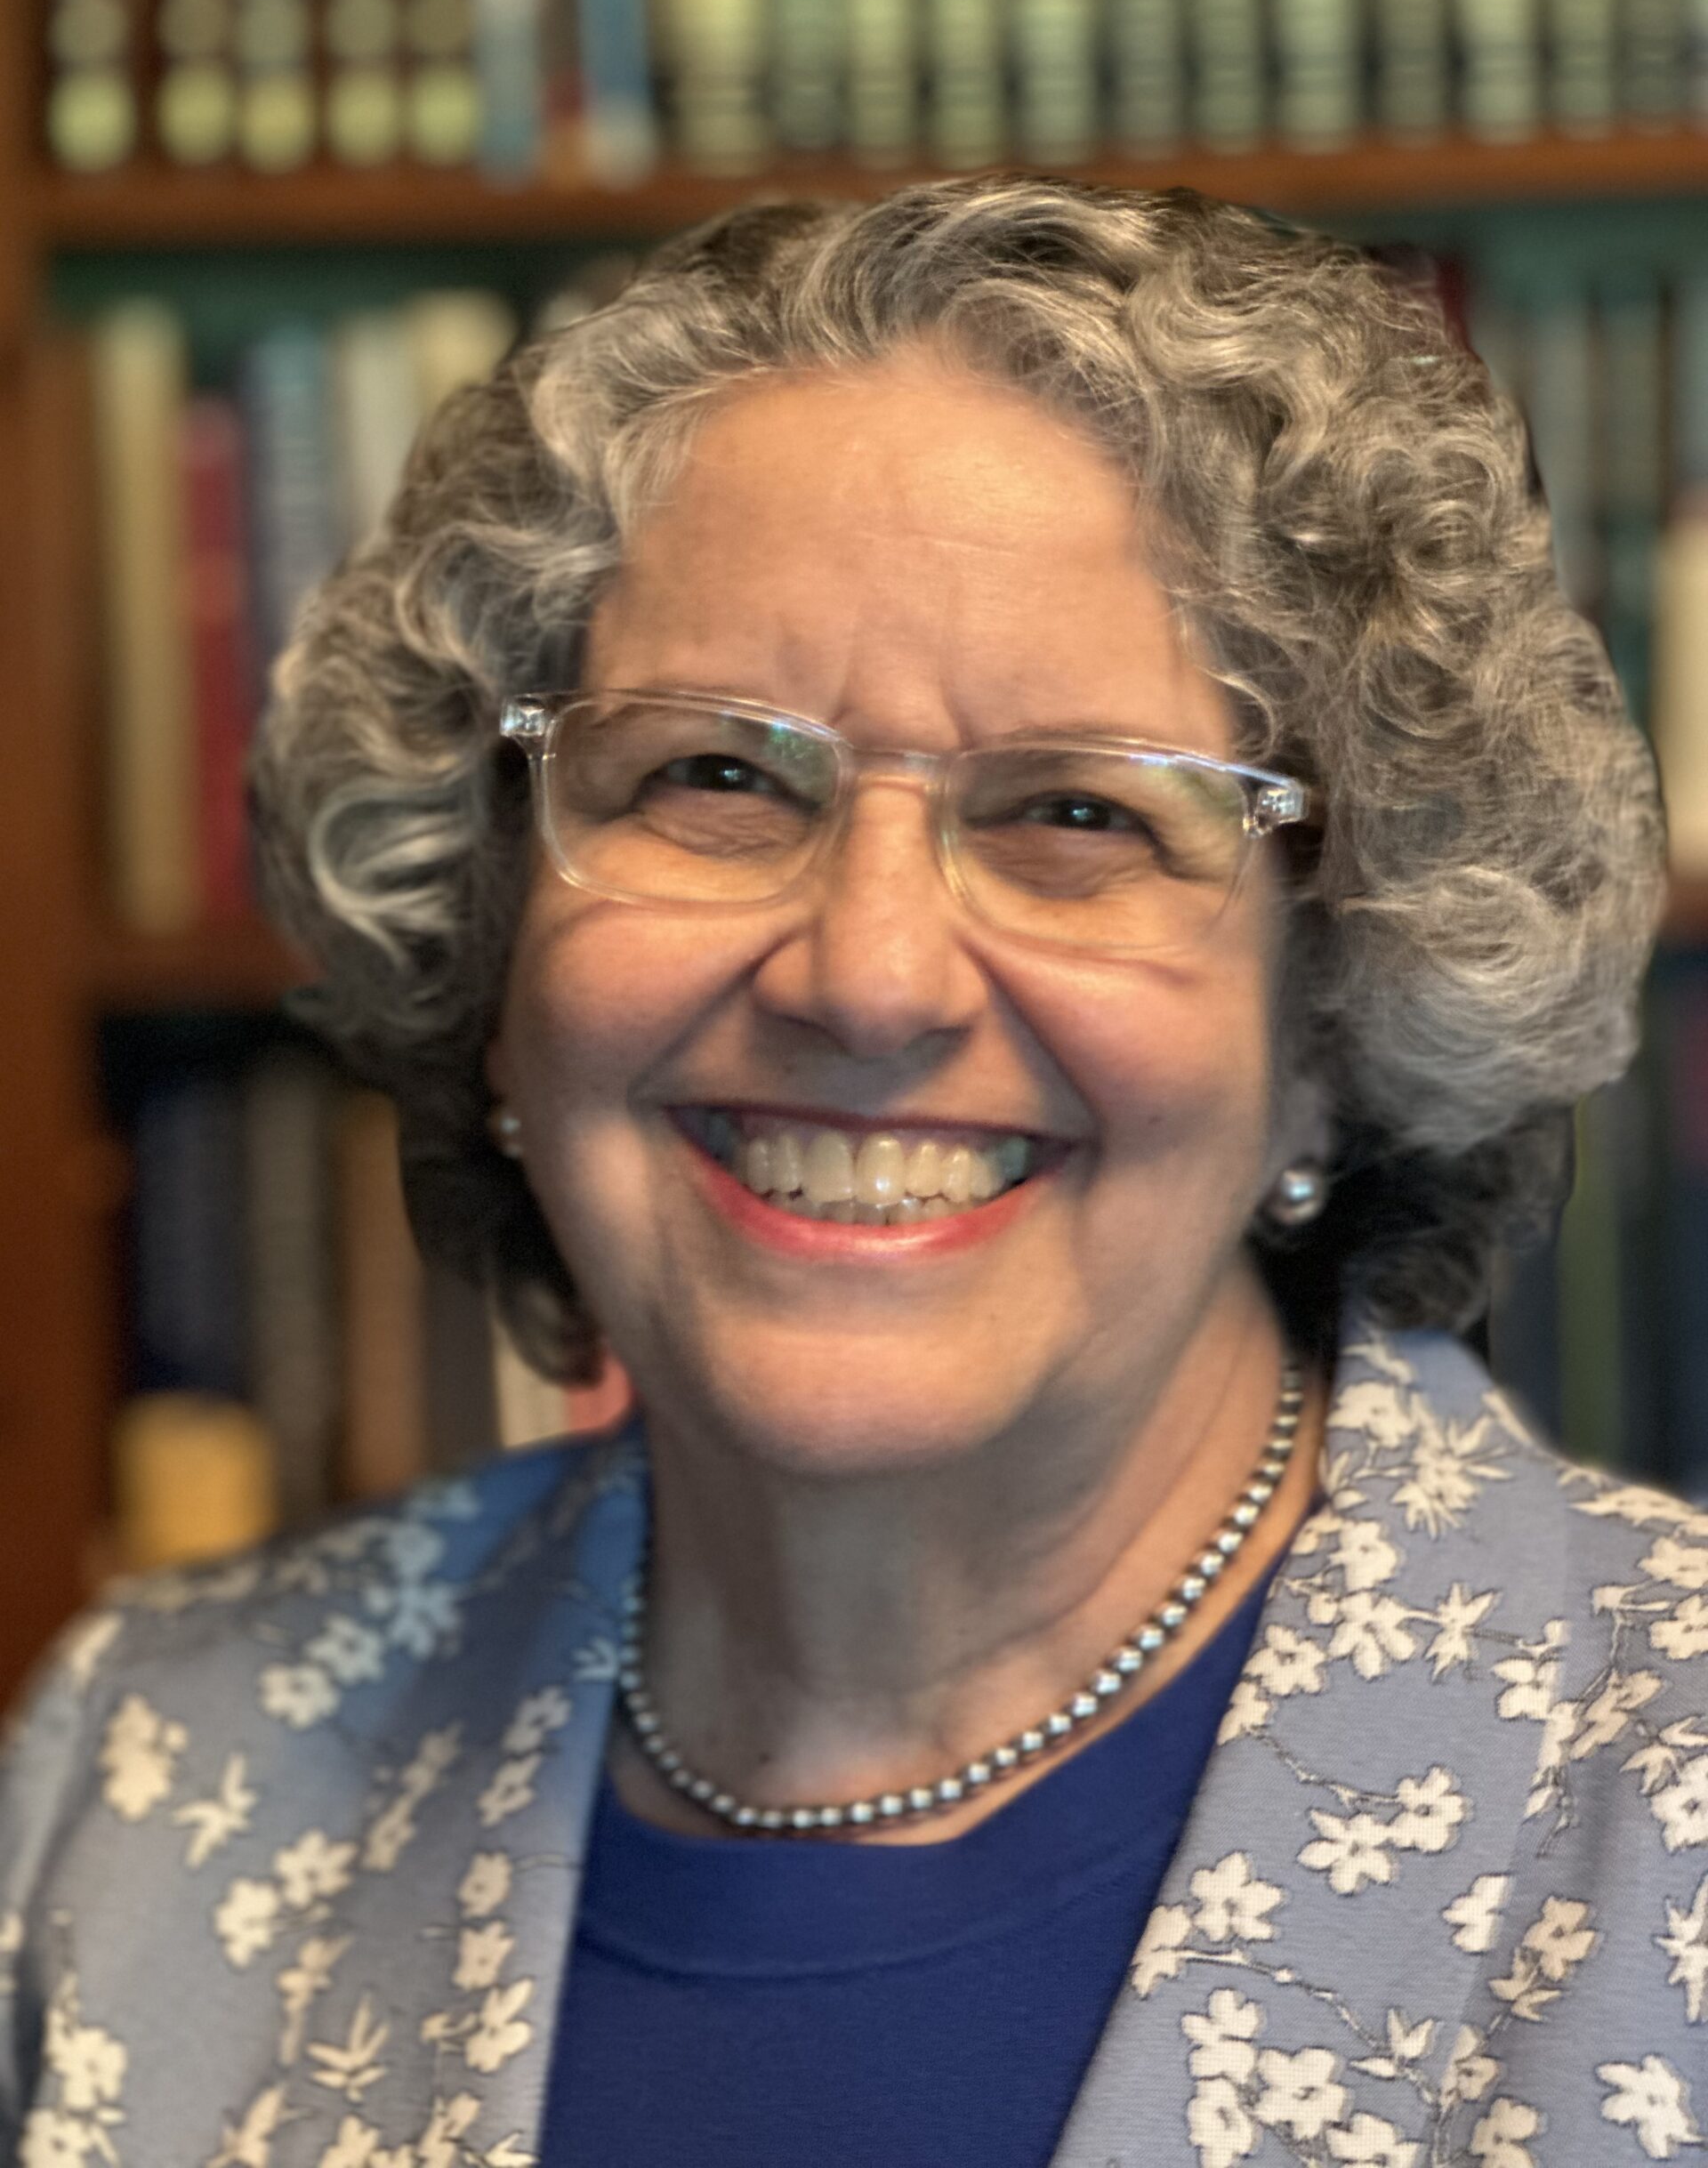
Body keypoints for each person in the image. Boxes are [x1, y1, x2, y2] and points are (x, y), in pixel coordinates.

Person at [0, 175, 1687, 2168]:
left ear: (1334, 1021)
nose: (868, 976)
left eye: (1079, 814)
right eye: (713, 776)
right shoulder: (140, 1779)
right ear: (492, 941)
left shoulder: (1659, 1801)